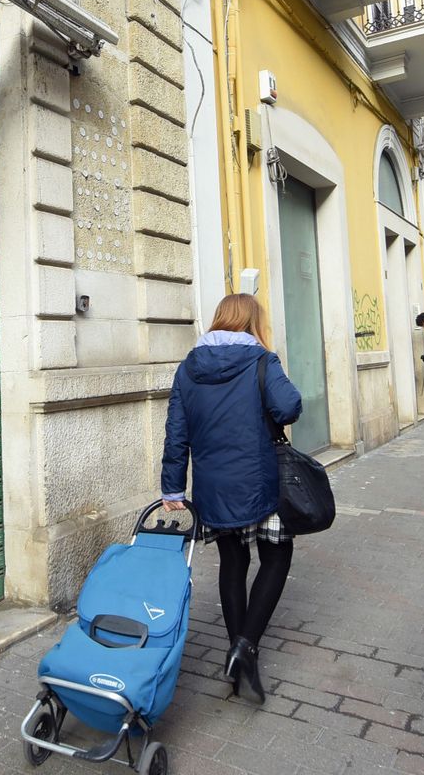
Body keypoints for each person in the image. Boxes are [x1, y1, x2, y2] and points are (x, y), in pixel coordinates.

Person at [159, 294, 302, 705]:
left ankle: (240, 661)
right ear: (251, 322)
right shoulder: (261, 360)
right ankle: (246, 646)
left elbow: (176, 433)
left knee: (233, 563)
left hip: (213, 486)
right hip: (261, 482)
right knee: (277, 556)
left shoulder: (188, 368)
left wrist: (172, 488)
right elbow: (289, 407)